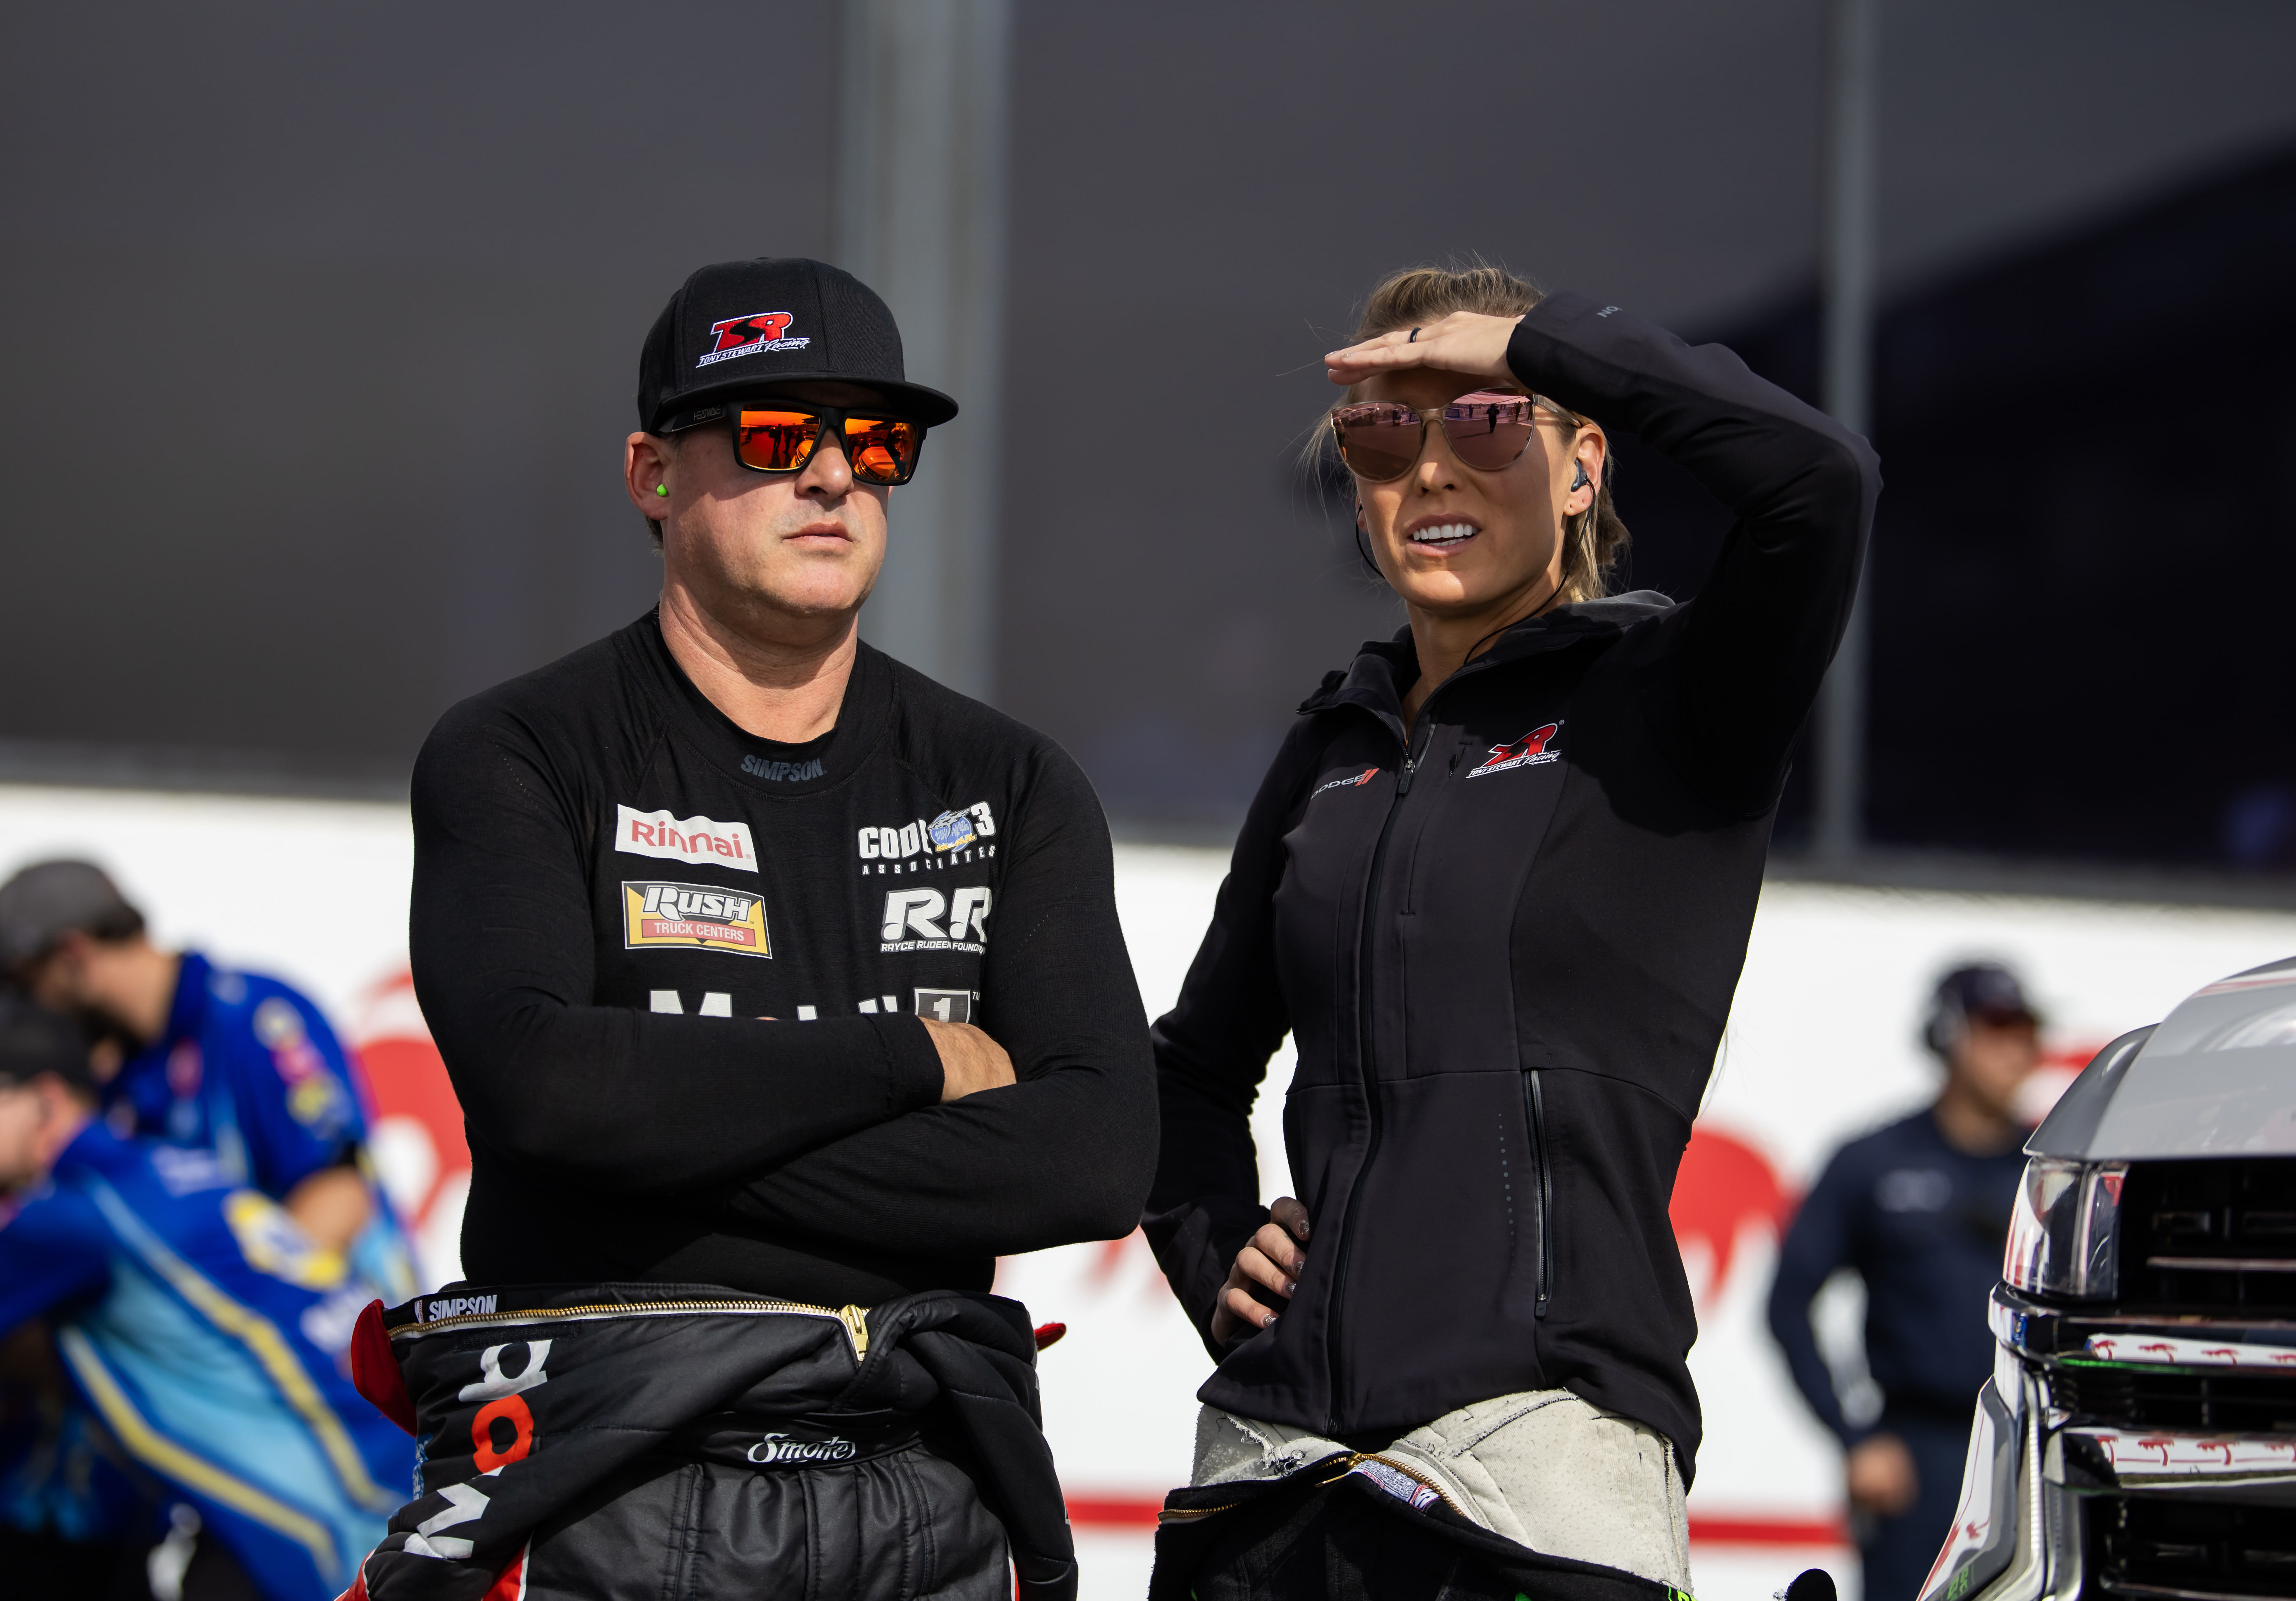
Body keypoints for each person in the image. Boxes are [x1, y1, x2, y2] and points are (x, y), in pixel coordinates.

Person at [353, 257, 1155, 1601]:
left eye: (876, 442)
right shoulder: (520, 749)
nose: (835, 475)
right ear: (651, 476)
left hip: (925, 1468)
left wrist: (647, 1134)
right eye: (777, 436)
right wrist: (910, 1058)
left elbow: (1094, 1157)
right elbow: (544, 1092)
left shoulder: (1011, 782)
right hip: (605, 1464)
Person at [1144, 264, 1879, 1599]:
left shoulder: (1670, 701)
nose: (1431, 472)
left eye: (1486, 423)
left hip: (1528, 1477)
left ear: (1584, 465)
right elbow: (1187, 1075)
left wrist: (1543, 341)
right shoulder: (1336, 743)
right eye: (1383, 435)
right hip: (1268, 1476)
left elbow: (1820, 482)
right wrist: (1220, 1267)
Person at [0, 991, 416, 1601]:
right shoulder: (166, 1167)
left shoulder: (76, 1219)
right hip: (392, 1460)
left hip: (338, 1508)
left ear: (46, 1100)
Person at [0, 860, 413, 1299]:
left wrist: (234, 1318)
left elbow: (340, 1198)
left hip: (351, 1344)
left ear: (73, 955)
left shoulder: (254, 1018)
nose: (29, 1009)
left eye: (27, 984)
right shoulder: (122, 1069)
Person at [1768, 963, 2040, 1601]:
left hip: (2033, 1454)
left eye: (2027, 1028)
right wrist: (1854, 1438)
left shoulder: (2048, 1172)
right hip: (1919, 1455)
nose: (2017, 1048)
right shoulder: (1875, 1160)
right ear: (1948, 1037)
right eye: (1997, 1027)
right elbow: (1786, 1302)